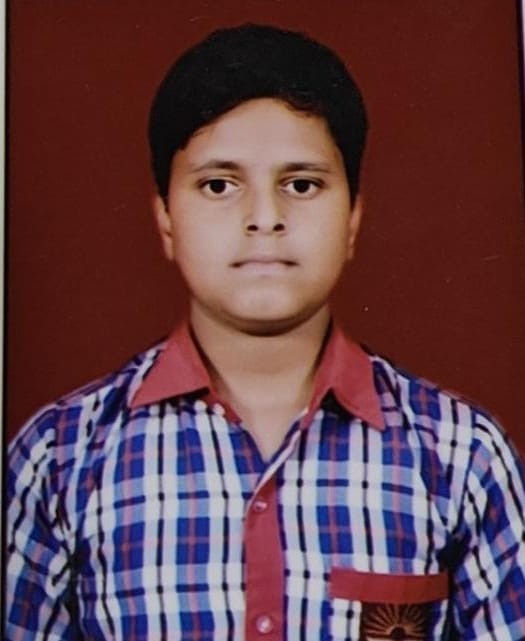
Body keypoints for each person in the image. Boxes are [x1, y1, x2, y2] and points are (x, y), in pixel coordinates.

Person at [5, 23, 525, 641]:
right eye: (218, 185)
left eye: (301, 184)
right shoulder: (59, 459)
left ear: (353, 218)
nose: (264, 217)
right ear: (166, 219)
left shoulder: (463, 457)